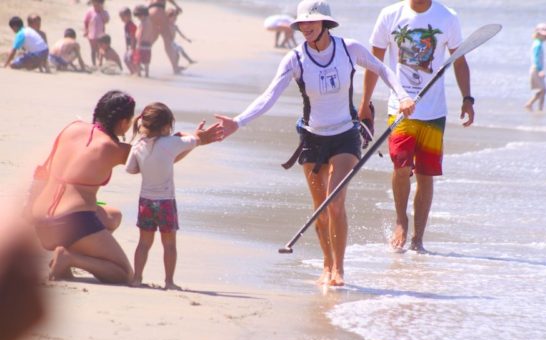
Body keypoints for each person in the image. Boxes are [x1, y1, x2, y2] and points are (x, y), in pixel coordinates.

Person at [216, 0, 414, 286]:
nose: (305, 28)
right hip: (312, 138)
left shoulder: (349, 49)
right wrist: (239, 121)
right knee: (319, 207)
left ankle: (340, 270)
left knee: (334, 203)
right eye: (301, 24)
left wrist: (403, 95)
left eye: (312, 22)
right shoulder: (295, 59)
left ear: (325, 24)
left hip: (346, 135)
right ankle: (326, 264)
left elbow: (384, 70)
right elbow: (268, 96)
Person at [359, 0, 474, 253]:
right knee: (401, 167)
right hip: (400, 107)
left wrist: (467, 98)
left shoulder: (448, 17)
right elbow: (373, 61)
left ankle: (418, 239)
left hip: (433, 113)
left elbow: (459, 61)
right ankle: (401, 220)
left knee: (425, 175)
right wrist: (365, 102)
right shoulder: (390, 15)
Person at [29, 91, 136, 284]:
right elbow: (158, 160)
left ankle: (73, 253)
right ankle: (71, 258)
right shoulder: (114, 148)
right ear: (123, 122)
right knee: (124, 274)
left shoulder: (72, 128)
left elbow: (40, 172)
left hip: (40, 218)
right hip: (71, 222)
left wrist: (29, 210)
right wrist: (196, 141)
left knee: (114, 216)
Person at [125, 103, 223, 289]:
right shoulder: (172, 142)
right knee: (169, 245)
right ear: (165, 127)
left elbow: (131, 169)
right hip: (165, 203)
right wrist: (193, 135)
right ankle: (169, 282)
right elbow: (194, 140)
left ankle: (136, 278)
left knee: (144, 243)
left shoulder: (138, 146)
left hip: (145, 202)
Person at [147, 0, 183, 73]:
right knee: (167, 41)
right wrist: (177, 6)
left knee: (153, 38)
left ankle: (138, 60)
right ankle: (175, 68)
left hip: (149, 12)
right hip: (159, 11)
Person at [525, 23, 546, 112]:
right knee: (543, 89)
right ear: (538, 34)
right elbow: (536, 58)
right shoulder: (537, 44)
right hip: (536, 69)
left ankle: (530, 104)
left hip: (536, 68)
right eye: (545, 35)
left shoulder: (538, 43)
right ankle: (540, 108)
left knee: (542, 90)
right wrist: (540, 70)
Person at [83, 0, 109, 67]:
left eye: (97, 4)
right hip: (91, 34)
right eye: (94, 4)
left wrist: (101, 11)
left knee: (100, 50)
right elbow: (86, 21)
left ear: (101, 4)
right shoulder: (90, 11)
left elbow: (106, 21)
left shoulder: (104, 12)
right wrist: (86, 30)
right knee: (93, 50)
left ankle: (100, 63)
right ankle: (93, 64)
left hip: (101, 35)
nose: (95, 6)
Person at [133, 4, 153, 77]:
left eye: (138, 16)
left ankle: (138, 74)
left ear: (143, 15)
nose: (138, 18)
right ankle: (147, 74)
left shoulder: (143, 23)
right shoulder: (150, 22)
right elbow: (151, 34)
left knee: (137, 61)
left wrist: (137, 44)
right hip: (148, 45)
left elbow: (140, 34)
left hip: (141, 44)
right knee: (146, 62)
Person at [119, 7, 138, 74]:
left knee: (133, 61)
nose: (121, 19)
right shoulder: (126, 25)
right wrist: (127, 48)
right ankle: (133, 72)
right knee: (126, 59)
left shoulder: (131, 26)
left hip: (135, 47)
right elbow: (126, 38)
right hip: (130, 47)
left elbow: (133, 37)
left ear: (129, 16)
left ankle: (136, 73)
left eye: (122, 17)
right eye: (120, 17)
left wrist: (132, 49)